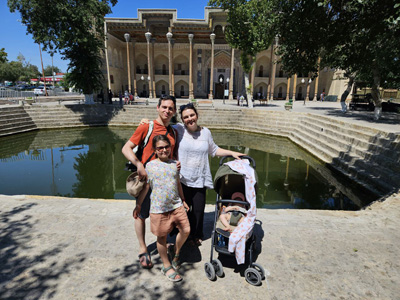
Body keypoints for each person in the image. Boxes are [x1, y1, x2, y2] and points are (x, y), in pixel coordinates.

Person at [176, 103, 244, 246]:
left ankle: (197, 234)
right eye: (186, 117)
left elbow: (214, 150)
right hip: (182, 179)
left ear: (197, 115)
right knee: (184, 210)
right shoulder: (178, 129)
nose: (189, 119)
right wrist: (146, 122)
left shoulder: (205, 132)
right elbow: (161, 128)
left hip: (199, 178)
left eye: (192, 115)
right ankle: (185, 235)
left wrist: (232, 153)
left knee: (199, 210)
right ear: (182, 120)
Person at [122, 95, 178, 269]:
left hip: (165, 183)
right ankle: (142, 248)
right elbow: (126, 147)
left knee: (164, 214)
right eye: (164, 107)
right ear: (158, 107)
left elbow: (171, 154)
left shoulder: (173, 131)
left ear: (174, 111)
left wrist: (175, 163)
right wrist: (138, 164)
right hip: (147, 181)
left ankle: (162, 243)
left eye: (170, 108)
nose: (167, 111)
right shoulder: (147, 126)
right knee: (141, 213)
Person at [135, 135, 190, 282]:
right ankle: (166, 266)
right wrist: (139, 204)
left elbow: (178, 184)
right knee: (162, 237)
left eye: (166, 147)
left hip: (176, 205)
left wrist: (183, 200)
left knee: (186, 230)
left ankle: (176, 253)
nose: (164, 150)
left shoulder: (174, 164)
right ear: (154, 150)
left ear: (170, 148)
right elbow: (146, 187)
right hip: (159, 209)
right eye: (160, 148)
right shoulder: (150, 166)